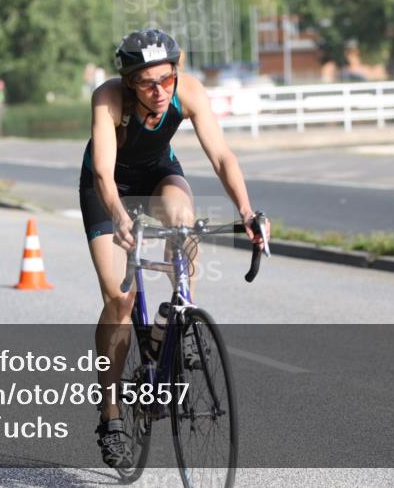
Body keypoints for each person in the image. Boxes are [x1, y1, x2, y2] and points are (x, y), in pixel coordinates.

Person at [80, 29, 269, 468]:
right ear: (130, 82)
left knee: (184, 221)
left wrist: (246, 211)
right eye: (148, 83)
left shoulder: (189, 92)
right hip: (107, 188)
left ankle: (178, 315)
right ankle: (111, 415)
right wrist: (120, 216)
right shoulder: (109, 99)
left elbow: (222, 156)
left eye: (167, 79)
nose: (160, 91)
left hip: (158, 174)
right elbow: (104, 173)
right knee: (120, 298)